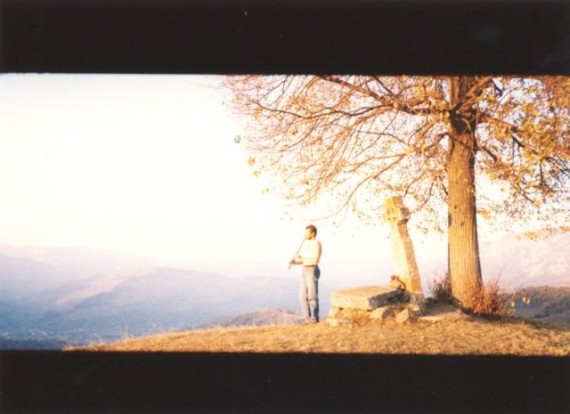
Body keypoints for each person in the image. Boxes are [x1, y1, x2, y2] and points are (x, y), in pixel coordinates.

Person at [289, 224, 322, 324]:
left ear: (312, 233)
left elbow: (315, 259)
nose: (305, 235)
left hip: (312, 269)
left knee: (312, 296)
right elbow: (304, 261)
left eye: (307, 233)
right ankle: (307, 319)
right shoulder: (306, 244)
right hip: (305, 269)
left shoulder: (317, 243)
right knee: (302, 297)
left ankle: (314, 318)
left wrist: (302, 257)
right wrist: (294, 262)